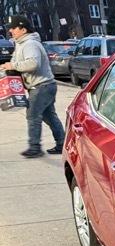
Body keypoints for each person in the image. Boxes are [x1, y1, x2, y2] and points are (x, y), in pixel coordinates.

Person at [0, 16, 64, 158]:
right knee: (49, 116)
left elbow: (33, 64)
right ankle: (62, 143)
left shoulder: (30, 44)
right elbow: (17, 64)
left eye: (13, 28)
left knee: (33, 114)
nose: (10, 31)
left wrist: (12, 65)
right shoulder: (20, 44)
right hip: (43, 85)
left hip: (42, 85)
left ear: (23, 29)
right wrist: (7, 67)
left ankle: (35, 148)